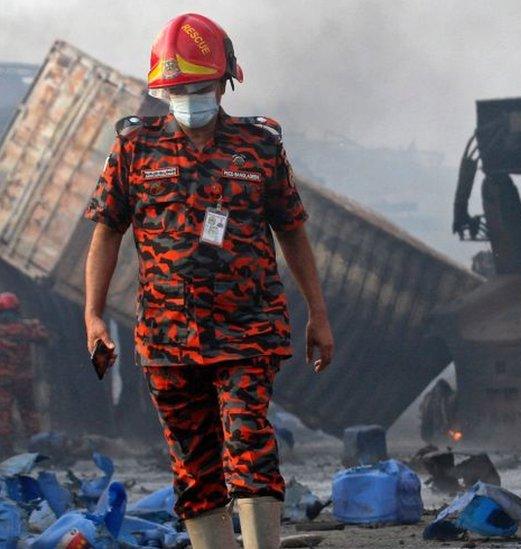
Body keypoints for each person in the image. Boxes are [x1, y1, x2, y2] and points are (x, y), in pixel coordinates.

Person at [82, 13, 334, 549]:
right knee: (194, 466)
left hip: (250, 330)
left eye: (199, 88)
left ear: (226, 81)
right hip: (167, 339)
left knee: (248, 440)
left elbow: (292, 232)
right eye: (176, 90)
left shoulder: (259, 147)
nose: (188, 99)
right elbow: (105, 233)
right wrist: (92, 314)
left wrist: (318, 313)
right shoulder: (133, 149)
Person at [0, 292, 49, 457]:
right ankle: (38, 448)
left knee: (3, 416)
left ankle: (5, 451)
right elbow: (44, 338)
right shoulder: (28, 327)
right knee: (30, 414)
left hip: (3, 381)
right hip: (24, 379)